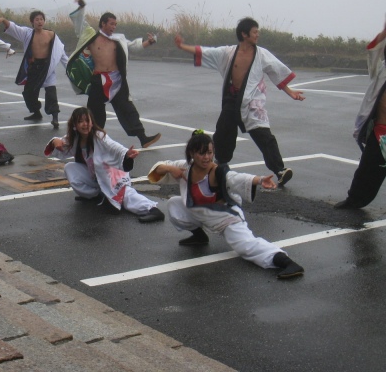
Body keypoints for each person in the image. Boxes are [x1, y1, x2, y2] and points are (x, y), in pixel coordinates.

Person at [148, 130, 304, 279]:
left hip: (225, 219)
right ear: (192, 154)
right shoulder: (185, 168)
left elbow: (237, 178)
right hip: (201, 214)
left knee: (246, 247)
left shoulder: (218, 172)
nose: (207, 157)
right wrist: (171, 169)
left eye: (210, 153)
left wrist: (260, 180)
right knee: (174, 204)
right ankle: (199, 236)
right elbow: (158, 167)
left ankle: (287, 263)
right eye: (202, 153)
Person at [174, 18, 305, 185]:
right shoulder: (228, 53)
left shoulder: (262, 54)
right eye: (255, 32)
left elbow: (275, 71)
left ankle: (280, 170)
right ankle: (218, 167)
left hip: (252, 104)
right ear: (244, 34)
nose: (257, 35)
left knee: (265, 137)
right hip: (231, 101)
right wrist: (182, 46)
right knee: (222, 135)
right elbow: (206, 52)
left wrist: (290, 91)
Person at [66, 0, 161, 148]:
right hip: (98, 79)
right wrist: (82, 7)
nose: (114, 27)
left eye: (115, 24)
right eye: (111, 23)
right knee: (95, 112)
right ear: (103, 24)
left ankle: (143, 138)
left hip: (116, 79)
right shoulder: (91, 37)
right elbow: (79, 24)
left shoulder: (118, 39)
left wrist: (149, 42)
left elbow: (133, 46)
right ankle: (92, 140)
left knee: (128, 109)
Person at [44, 107, 165, 223]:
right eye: (80, 121)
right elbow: (61, 143)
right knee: (70, 168)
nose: (85, 124)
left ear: (92, 122)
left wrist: (126, 154)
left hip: (110, 175)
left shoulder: (99, 137)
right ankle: (97, 195)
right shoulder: (75, 138)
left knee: (126, 195)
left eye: (87, 120)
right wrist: (55, 141)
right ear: (75, 125)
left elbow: (114, 147)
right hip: (95, 177)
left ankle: (152, 210)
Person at [335, 21, 386, 209]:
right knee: (367, 169)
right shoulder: (381, 70)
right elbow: (373, 51)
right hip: (380, 131)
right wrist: (385, 31)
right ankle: (354, 200)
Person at [0, 12, 68, 128]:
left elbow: (60, 51)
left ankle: (55, 117)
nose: (39, 22)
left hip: (47, 67)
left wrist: (68, 66)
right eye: (37, 19)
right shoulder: (27, 33)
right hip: (34, 67)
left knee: (51, 93)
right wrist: (4, 20)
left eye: (41, 19)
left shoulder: (51, 34)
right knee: (28, 93)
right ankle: (36, 112)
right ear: (32, 22)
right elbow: (14, 28)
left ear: (44, 21)